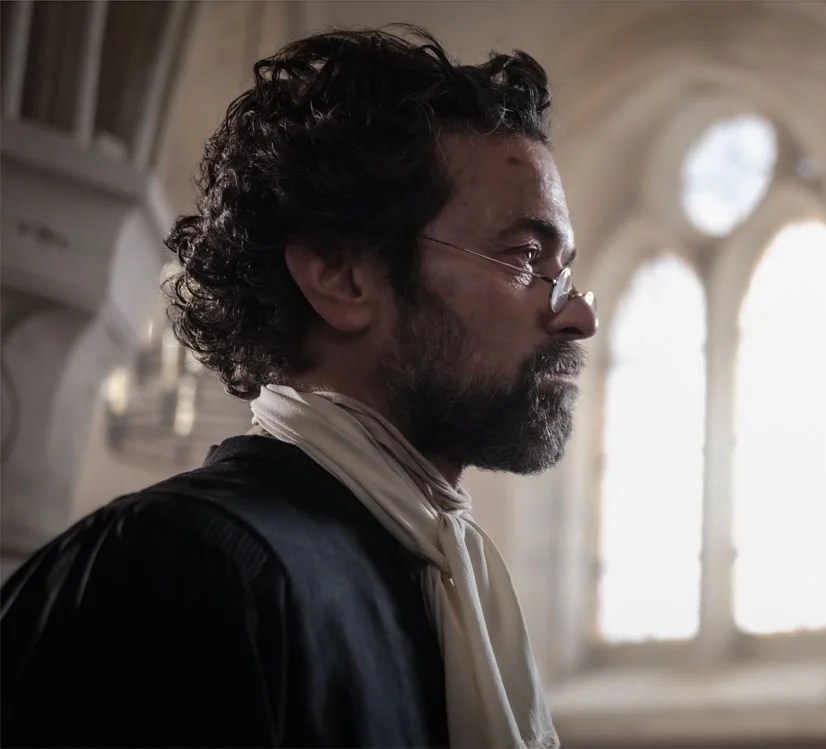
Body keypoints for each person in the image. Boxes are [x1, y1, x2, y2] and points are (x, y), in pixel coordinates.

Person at [1, 27, 595, 748]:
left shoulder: (441, 585)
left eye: (565, 270)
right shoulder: (179, 568)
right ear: (342, 278)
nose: (580, 315)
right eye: (527, 257)